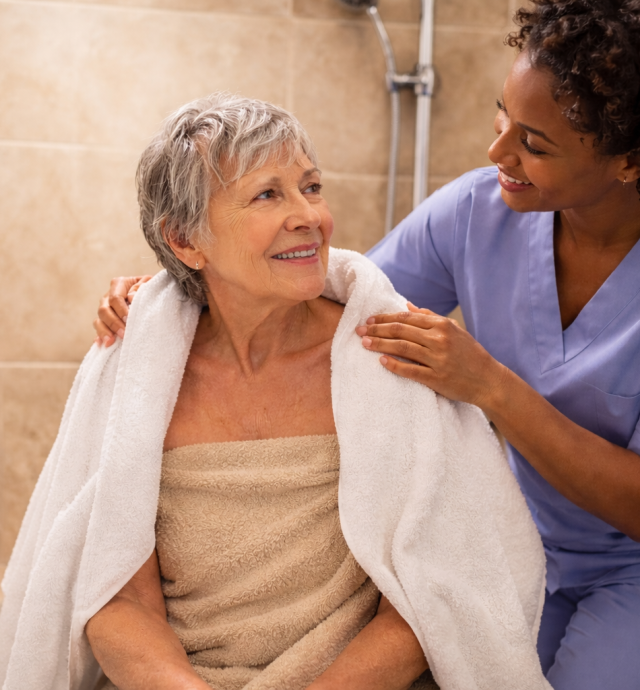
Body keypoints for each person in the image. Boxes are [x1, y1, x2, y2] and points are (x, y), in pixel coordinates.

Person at [93, 2, 640, 689]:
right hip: (521, 544)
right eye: (503, 118)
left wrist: (491, 387)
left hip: (628, 568)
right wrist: (165, 292)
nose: (497, 153)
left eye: (534, 143)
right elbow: (327, 288)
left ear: (627, 161)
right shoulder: (476, 213)